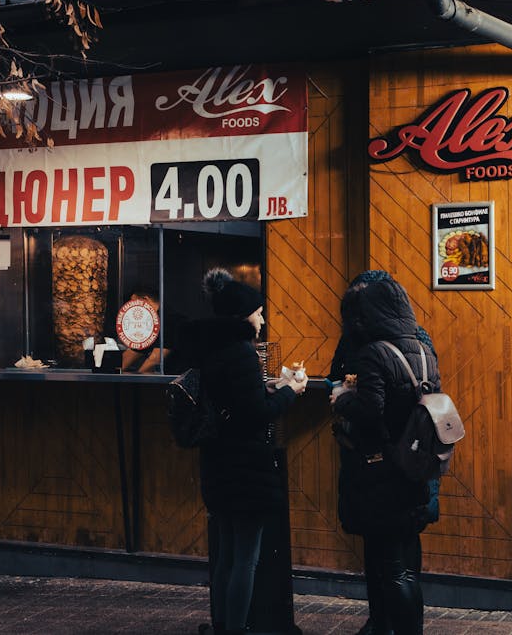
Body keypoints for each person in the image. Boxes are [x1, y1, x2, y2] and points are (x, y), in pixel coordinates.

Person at [184, 268, 306, 635]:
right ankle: (236, 629)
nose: (262, 317)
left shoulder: (212, 348)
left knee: (226, 554)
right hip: (245, 467)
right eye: (258, 311)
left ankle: (222, 625)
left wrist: (264, 389)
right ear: (243, 316)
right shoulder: (241, 354)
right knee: (246, 560)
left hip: (218, 464)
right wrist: (290, 392)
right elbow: (255, 414)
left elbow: (235, 402)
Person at [330, 270, 441, 635]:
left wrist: (344, 398)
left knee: (391, 564)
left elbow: (370, 409)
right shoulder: (421, 345)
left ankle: (389, 626)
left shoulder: (373, 349)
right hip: (416, 463)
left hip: (381, 467)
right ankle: (390, 625)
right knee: (404, 560)